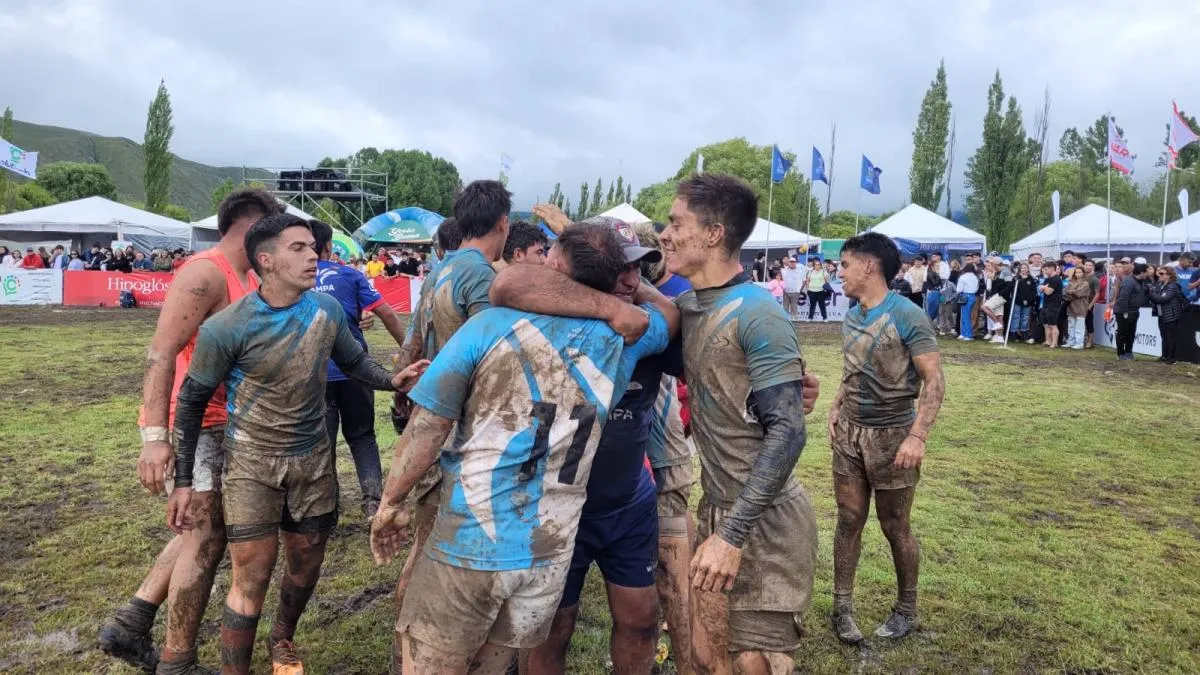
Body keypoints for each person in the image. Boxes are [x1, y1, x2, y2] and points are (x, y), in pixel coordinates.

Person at [370, 221, 675, 674]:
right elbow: (670, 316)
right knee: (495, 664)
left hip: (472, 536)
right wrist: (620, 302)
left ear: (553, 266)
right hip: (546, 548)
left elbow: (428, 426)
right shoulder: (625, 339)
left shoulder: (487, 325)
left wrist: (392, 500)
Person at [167, 215, 427, 674]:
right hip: (250, 464)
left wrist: (392, 380)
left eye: (313, 247)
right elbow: (190, 403)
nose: (313, 256)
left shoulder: (325, 311)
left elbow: (354, 362)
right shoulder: (226, 327)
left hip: (312, 462)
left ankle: (283, 638)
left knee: (306, 565)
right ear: (266, 261)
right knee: (253, 573)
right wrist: (184, 480)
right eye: (299, 248)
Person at [489, 217, 684, 675]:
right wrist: (607, 306)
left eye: (639, 268)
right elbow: (509, 283)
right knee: (551, 629)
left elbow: (681, 329)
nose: (630, 280)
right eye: (618, 268)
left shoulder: (644, 330)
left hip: (626, 502)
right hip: (553, 506)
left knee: (640, 621)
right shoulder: (539, 318)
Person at [98, 189, 282, 674]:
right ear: (251, 225)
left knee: (199, 531)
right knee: (206, 538)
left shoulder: (245, 274)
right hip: (197, 424)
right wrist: (155, 438)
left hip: (224, 421)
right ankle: (177, 662)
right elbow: (161, 353)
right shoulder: (205, 272)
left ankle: (131, 622)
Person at [659, 174, 816, 674]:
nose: (665, 234)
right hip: (716, 507)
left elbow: (789, 432)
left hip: (763, 523)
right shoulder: (691, 306)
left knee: (756, 662)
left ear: (712, 233)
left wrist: (732, 535)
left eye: (675, 222)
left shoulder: (758, 312)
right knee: (710, 657)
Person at [387, 180, 516, 666]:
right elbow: (497, 357)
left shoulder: (441, 271)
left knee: (427, 544)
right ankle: (416, 653)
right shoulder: (482, 278)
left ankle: (410, 649)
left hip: (433, 419)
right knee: (434, 555)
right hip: (463, 431)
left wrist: (405, 399)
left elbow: (412, 346)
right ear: (502, 223)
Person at [829, 232, 945, 644]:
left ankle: (907, 608)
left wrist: (918, 436)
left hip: (893, 436)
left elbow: (934, 381)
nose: (838, 272)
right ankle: (841, 607)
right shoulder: (852, 314)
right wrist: (837, 404)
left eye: (844, 265)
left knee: (895, 525)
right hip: (849, 434)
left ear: (868, 266)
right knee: (848, 519)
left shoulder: (907, 315)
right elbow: (853, 368)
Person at [310, 220, 411, 519]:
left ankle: (327, 506)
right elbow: (387, 314)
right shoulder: (350, 275)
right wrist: (408, 351)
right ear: (329, 246)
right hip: (355, 370)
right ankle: (372, 502)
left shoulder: (292, 280)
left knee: (321, 442)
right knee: (362, 436)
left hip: (313, 375)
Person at [1148, 266, 1187, 364]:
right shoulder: (1160, 285)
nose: (1159, 275)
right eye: (1159, 273)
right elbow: (1156, 298)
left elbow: (1163, 299)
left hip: (1172, 315)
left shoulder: (1173, 286)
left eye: (1162, 274)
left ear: (1169, 275)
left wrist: (1150, 293)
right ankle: (1164, 356)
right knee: (1164, 336)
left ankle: (1171, 358)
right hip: (1162, 314)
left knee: (1170, 337)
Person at [981, 263, 1010, 343]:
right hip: (993, 297)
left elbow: (1001, 286)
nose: (987, 267)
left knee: (984, 307)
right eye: (986, 266)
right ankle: (999, 337)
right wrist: (990, 279)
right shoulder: (990, 274)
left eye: (989, 266)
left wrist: (993, 278)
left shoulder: (1000, 274)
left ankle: (997, 325)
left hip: (999, 296)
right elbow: (988, 288)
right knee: (999, 316)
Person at [1064, 267, 1091, 350]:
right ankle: (1070, 341)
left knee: (1079, 326)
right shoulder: (1071, 282)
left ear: (1083, 273)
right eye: (1076, 272)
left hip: (1081, 306)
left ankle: (1079, 343)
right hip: (1071, 305)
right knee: (1071, 325)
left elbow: (1078, 293)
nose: (1078, 274)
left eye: (1080, 272)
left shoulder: (1085, 283)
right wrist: (1071, 292)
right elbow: (1064, 292)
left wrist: (1070, 291)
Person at [1038, 262, 1064, 349]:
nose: (1044, 271)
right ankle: (1048, 341)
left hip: (1054, 304)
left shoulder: (1056, 279)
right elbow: (1041, 291)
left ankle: (1054, 342)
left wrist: (1044, 287)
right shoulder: (1047, 279)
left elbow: (1049, 292)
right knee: (1045, 324)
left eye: (1046, 269)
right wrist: (1044, 288)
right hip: (1045, 303)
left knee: (1052, 324)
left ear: (1052, 269)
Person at [1012, 264, 1038, 343]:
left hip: (1028, 302)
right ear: (1020, 269)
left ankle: (1024, 332)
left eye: (1025, 268)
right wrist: (1021, 299)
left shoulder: (1031, 279)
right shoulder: (1016, 278)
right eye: (1022, 268)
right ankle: (1015, 333)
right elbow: (1014, 291)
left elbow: (1033, 291)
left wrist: (1029, 300)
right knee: (1016, 316)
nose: (1023, 269)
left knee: (1025, 317)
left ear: (1028, 269)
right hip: (1017, 301)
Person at [955, 263, 979, 341]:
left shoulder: (963, 277)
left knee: (965, 316)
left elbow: (958, 289)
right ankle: (963, 333)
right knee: (966, 315)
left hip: (965, 296)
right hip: (973, 296)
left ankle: (968, 334)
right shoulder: (975, 277)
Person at [781, 257, 805, 321]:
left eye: (793, 262)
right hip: (786, 291)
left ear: (795, 263)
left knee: (794, 305)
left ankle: (794, 317)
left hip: (796, 291)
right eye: (791, 262)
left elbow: (804, 281)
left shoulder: (800, 271)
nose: (792, 263)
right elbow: (781, 280)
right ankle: (786, 318)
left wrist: (800, 289)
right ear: (788, 262)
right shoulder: (784, 270)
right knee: (785, 305)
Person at [921, 259, 943, 324]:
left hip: (935, 293)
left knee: (935, 310)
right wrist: (938, 276)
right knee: (932, 311)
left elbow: (940, 284)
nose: (938, 268)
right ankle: (927, 324)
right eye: (937, 266)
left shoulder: (934, 274)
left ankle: (929, 324)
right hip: (933, 293)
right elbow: (935, 283)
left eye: (939, 266)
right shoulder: (931, 274)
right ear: (932, 267)